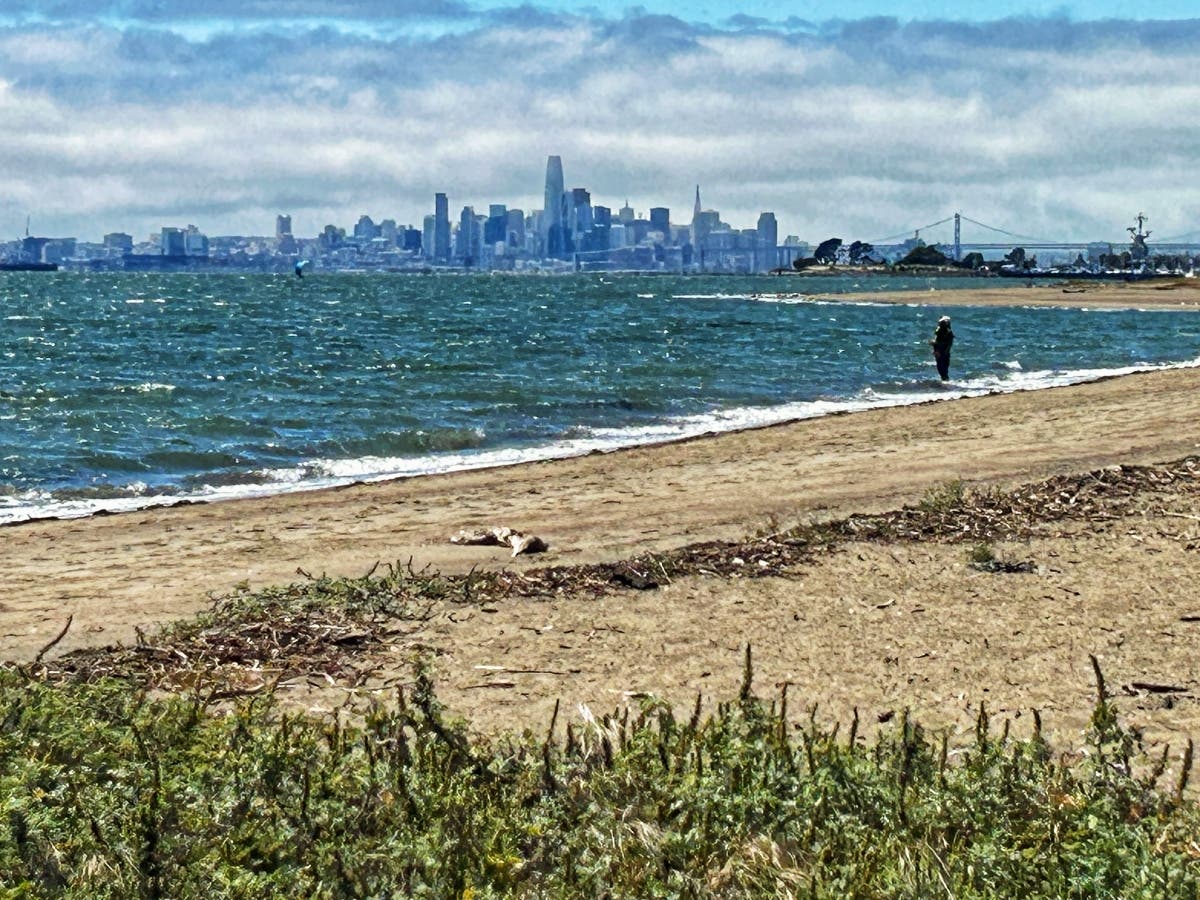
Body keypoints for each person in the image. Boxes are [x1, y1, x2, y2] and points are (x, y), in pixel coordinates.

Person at [930, 315, 954, 381]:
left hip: (943, 352)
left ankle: (945, 381)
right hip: (940, 351)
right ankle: (945, 382)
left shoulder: (948, 332)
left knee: (943, 368)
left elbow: (948, 343)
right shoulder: (939, 330)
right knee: (941, 368)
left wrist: (935, 344)